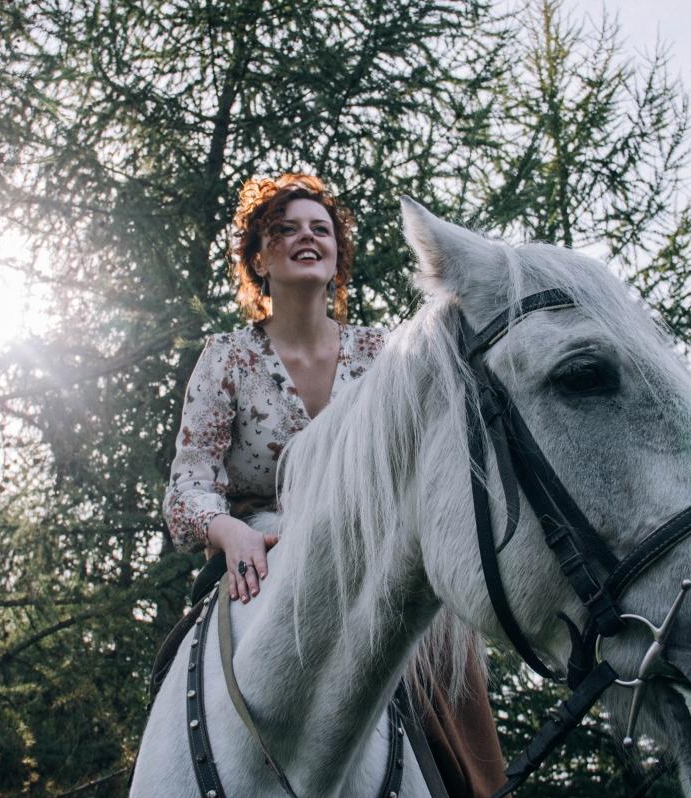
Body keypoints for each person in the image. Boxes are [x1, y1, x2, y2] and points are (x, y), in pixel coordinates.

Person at [162, 173, 504, 796]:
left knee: (456, 710)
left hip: (375, 561)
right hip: (260, 556)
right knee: (177, 668)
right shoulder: (226, 357)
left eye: (320, 229)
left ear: (336, 256)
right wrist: (229, 531)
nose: (307, 237)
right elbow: (189, 482)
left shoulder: (383, 354)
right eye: (285, 229)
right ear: (259, 260)